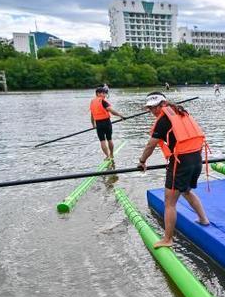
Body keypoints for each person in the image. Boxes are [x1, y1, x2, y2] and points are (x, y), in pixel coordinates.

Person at [138, 92, 210, 248]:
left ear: (160, 105)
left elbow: (151, 145)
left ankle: (168, 239)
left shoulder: (163, 120)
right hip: (196, 159)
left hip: (180, 163)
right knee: (186, 191)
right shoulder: (181, 111)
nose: (151, 111)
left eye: (152, 108)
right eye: (149, 108)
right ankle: (203, 219)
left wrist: (142, 161)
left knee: (169, 203)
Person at [90, 87, 125, 159]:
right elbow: (111, 111)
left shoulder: (92, 102)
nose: (104, 95)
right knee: (109, 139)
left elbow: (92, 115)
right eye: (103, 93)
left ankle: (108, 156)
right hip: (106, 123)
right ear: (98, 94)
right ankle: (111, 154)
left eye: (105, 93)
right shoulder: (103, 102)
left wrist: (93, 125)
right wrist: (120, 115)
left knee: (102, 141)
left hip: (98, 124)